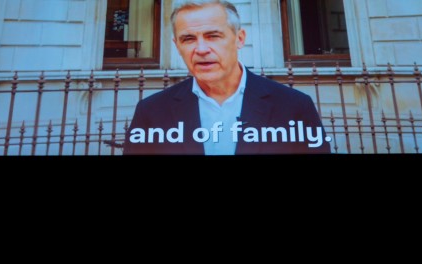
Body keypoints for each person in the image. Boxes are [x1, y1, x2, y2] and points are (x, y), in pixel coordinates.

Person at [122, 0, 330, 155]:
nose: (201, 49)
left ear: (239, 39)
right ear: (177, 46)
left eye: (213, 36)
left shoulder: (294, 106)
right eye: (188, 39)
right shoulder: (151, 111)